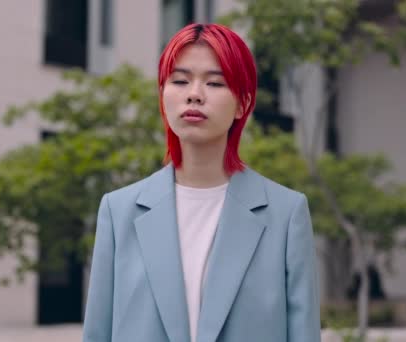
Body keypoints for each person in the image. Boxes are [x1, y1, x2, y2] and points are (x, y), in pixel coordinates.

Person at [82, 23, 320, 342]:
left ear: (243, 103)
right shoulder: (119, 211)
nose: (194, 94)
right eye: (180, 80)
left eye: (215, 83)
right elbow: (98, 332)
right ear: (163, 95)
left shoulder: (286, 214)